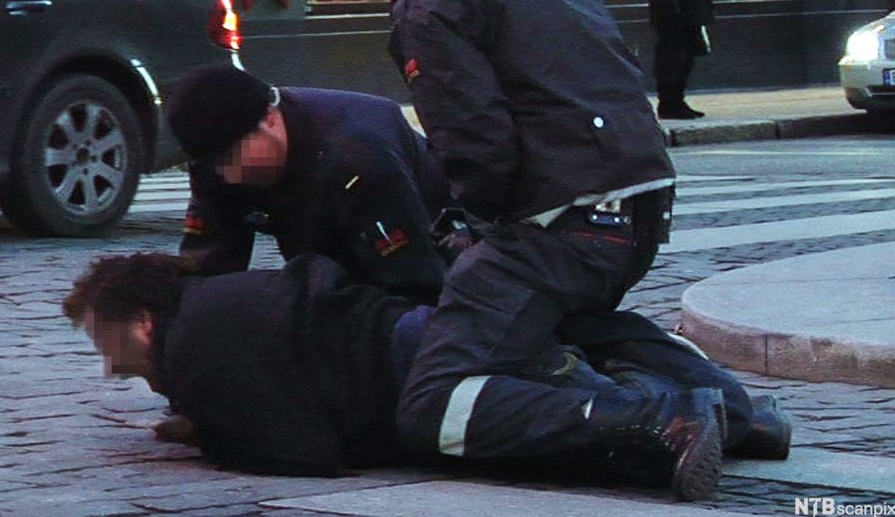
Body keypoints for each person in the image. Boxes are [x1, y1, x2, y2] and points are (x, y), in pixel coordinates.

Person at [329, 0, 727, 500]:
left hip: (564, 217)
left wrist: (475, 227)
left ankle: (662, 424)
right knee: (556, 326)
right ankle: (742, 413)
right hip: (641, 202)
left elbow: (476, 141)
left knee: (434, 402)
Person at [62, 252, 791, 480]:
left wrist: (211, 437)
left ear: (141, 321)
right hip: (431, 334)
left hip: (420, 372)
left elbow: (306, 454)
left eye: (110, 347)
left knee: (547, 427)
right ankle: (737, 420)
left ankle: (680, 417)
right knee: (562, 394)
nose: (114, 370)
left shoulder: (193, 355)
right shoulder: (222, 301)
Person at [164, 64, 452, 304]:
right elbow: (205, 270)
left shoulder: (359, 155)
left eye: (233, 158)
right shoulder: (216, 162)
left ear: (269, 118)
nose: (231, 176)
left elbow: (417, 283)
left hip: (422, 246)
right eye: (217, 165)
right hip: (318, 244)